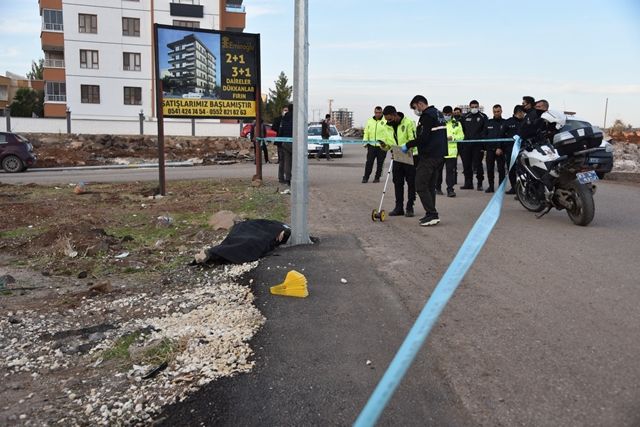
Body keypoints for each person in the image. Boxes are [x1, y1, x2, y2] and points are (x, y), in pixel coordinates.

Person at [403, 95, 447, 226]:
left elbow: (423, 138)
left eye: (415, 108)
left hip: (429, 156)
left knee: (420, 184)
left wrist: (408, 145)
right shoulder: (438, 113)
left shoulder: (427, 116)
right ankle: (431, 213)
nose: (415, 111)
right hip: (439, 155)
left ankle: (432, 214)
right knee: (430, 186)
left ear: (420, 104)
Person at [381, 105, 417, 217]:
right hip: (396, 157)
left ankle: (410, 206)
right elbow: (388, 144)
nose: (388, 122)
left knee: (411, 182)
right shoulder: (387, 127)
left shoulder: (408, 123)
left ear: (395, 114)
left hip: (409, 156)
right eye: (386, 120)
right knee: (397, 182)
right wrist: (384, 146)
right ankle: (398, 207)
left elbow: (413, 139)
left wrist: (406, 147)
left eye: (390, 119)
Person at [437, 106, 464, 198]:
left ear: (452, 113)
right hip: (440, 151)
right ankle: (438, 188)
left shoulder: (456, 123)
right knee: (438, 171)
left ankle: (450, 190)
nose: (447, 116)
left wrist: (453, 138)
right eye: (445, 114)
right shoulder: (438, 122)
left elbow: (461, 136)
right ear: (442, 113)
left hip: (451, 152)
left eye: (449, 114)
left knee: (450, 172)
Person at [460, 99, 487, 191]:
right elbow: (462, 129)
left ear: (478, 107)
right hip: (467, 145)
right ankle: (468, 183)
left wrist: (481, 141)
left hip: (478, 145)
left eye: (476, 107)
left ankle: (480, 183)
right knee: (466, 164)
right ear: (469, 107)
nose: (474, 108)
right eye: (472, 107)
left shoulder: (483, 117)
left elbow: (485, 130)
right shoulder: (465, 117)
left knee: (478, 164)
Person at [361, 106, 390, 183]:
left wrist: (387, 144)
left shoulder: (386, 121)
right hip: (371, 146)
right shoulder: (369, 121)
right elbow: (366, 132)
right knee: (369, 162)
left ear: (382, 113)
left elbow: (389, 133)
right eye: (376, 112)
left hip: (382, 147)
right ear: (374, 112)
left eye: (379, 113)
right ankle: (366, 177)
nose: (378, 114)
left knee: (380, 163)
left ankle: (377, 177)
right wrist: (365, 142)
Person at [501, 105, 525, 194]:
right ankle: (514, 187)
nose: (523, 114)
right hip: (510, 150)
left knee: (523, 169)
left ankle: (523, 188)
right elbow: (501, 135)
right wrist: (500, 147)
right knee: (511, 169)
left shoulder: (526, 122)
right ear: (517, 113)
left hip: (523, 149)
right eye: (521, 112)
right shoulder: (508, 122)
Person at [483, 104, 506, 193]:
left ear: (501, 111)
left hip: (500, 150)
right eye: (495, 112)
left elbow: (505, 136)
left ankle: (501, 188)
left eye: (498, 111)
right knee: (489, 169)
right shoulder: (488, 122)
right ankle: (491, 186)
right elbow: (484, 135)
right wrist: (485, 147)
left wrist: (500, 148)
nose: (496, 113)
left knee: (501, 169)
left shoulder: (505, 122)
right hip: (490, 150)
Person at [271, 105, 288, 183]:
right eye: (285, 110)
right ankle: (281, 178)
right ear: (282, 111)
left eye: (287, 110)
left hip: (288, 142)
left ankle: (288, 177)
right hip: (280, 142)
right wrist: (279, 128)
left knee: (288, 161)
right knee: (282, 160)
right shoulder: (278, 119)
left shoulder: (290, 119)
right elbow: (273, 128)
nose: (286, 112)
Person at [278, 103, 294, 186]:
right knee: (296, 161)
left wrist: (280, 140)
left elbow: (281, 130)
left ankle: (288, 179)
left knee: (287, 161)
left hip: (285, 142)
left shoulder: (284, 118)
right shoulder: (296, 117)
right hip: (295, 142)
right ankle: (296, 177)